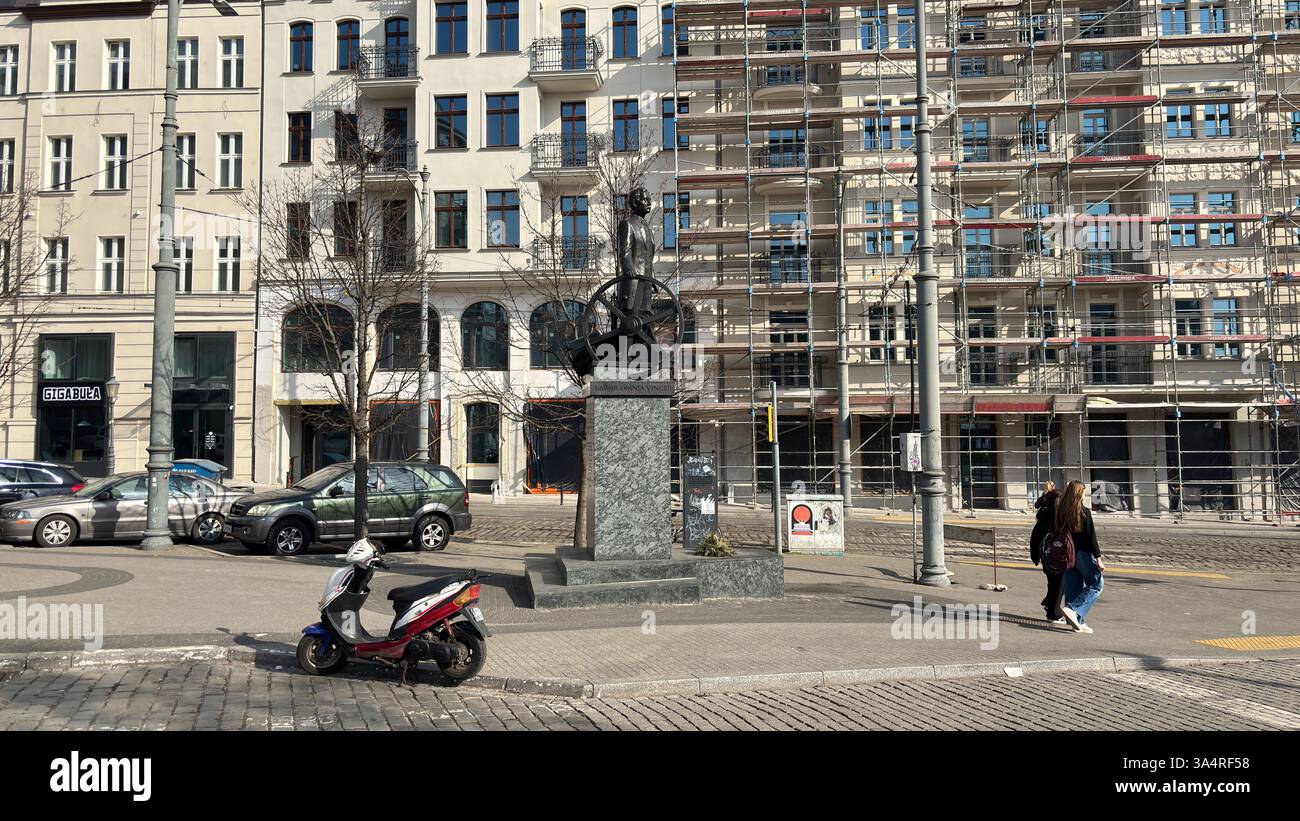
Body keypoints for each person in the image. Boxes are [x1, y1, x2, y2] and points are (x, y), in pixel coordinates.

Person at [1031, 479, 1104, 634]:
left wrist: (1048, 493)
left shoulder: (1062, 512)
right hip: (1084, 554)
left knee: (1074, 586)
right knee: (1096, 584)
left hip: (1068, 554)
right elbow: (1091, 537)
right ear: (1080, 493)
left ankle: (1078, 622)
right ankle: (1073, 610)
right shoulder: (1084, 512)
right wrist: (1098, 557)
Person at [1029, 481, 1066, 626]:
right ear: (1058, 500)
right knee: (1060, 581)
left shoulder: (1045, 510)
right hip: (1052, 552)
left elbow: (1038, 503)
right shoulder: (1055, 513)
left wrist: (1047, 493)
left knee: (1053, 581)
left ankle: (1049, 604)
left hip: (1043, 552)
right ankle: (1053, 613)